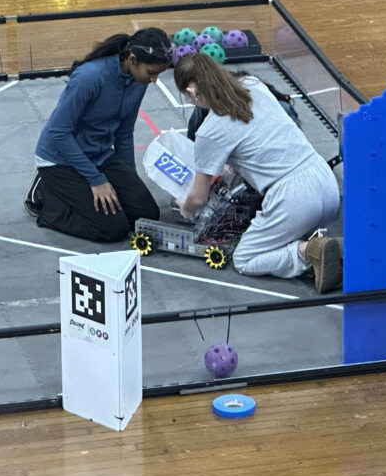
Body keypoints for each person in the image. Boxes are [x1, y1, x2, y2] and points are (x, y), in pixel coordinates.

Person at [172, 52, 342, 292]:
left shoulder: (209, 131)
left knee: (245, 259)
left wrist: (186, 208)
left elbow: (199, 198)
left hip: (294, 198)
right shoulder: (253, 85)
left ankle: (308, 251)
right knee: (281, 234)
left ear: (192, 92)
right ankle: (329, 247)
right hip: (325, 182)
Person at [25, 27, 173, 243]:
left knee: (145, 216)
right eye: (151, 73)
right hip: (61, 159)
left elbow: (124, 133)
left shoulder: (138, 82)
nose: (154, 80)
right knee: (113, 229)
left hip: (99, 154)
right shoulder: (90, 77)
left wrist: (129, 182)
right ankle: (46, 198)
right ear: (132, 59)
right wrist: (96, 180)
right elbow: (58, 132)